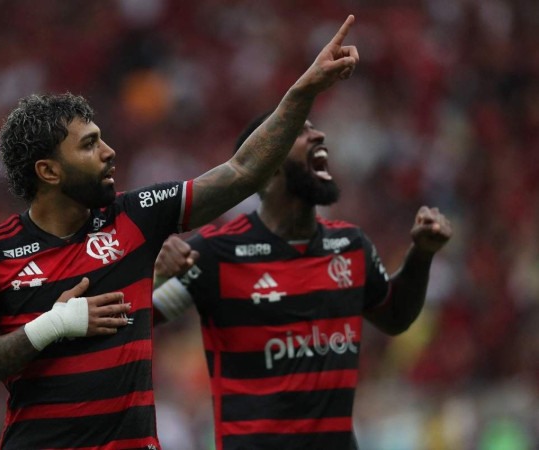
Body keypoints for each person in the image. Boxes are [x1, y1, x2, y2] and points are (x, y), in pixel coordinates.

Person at [0, 15, 360, 450]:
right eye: (88, 145)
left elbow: (243, 171)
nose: (108, 152)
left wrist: (303, 91)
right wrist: (51, 326)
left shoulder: (137, 216)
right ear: (48, 171)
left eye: (100, 138)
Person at [152, 113, 452, 449]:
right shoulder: (216, 254)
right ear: (265, 167)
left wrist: (422, 254)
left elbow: (395, 316)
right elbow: (141, 315)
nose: (318, 135)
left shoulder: (351, 247)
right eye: (299, 132)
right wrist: (156, 274)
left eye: (313, 128)